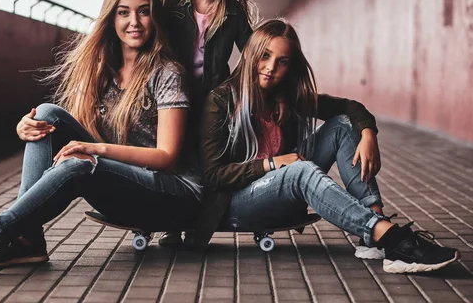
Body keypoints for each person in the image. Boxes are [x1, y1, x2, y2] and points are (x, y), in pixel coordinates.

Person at [0, 0, 202, 274]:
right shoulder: (101, 71)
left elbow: (167, 158)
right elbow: (65, 130)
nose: (134, 21)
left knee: (81, 163)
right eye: (123, 12)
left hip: (172, 194)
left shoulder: (168, 72)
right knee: (46, 114)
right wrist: (24, 128)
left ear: (154, 17)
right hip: (125, 183)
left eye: (144, 11)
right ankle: (27, 239)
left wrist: (97, 150)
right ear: (110, 18)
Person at [195, 18, 460, 273]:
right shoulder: (221, 101)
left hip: (280, 190)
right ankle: (390, 240)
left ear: (290, 67)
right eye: (265, 56)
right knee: (301, 170)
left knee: (343, 125)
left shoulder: (285, 98)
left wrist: (368, 133)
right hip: (237, 204)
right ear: (251, 54)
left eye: (282, 61)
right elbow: (214, 175)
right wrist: (273, 163)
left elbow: (348, 107)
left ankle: (374, 231)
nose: (270, 67)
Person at [157, 0, 257, 246]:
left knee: (207, 165)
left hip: (212, 105)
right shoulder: (171, 5)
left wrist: (233, 88)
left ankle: (198, 231)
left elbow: (253, 54)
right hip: (173, 99)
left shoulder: (232, 11)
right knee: (173, 160)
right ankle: (168, 223)